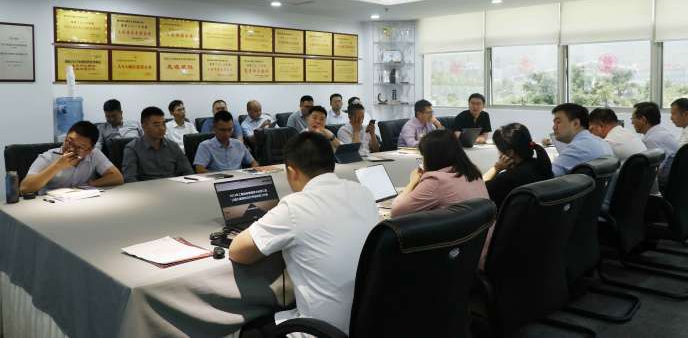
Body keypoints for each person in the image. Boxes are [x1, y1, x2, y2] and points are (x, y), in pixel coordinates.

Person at [230, 132, 379, 337]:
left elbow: (238, 252)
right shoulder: (363, 192)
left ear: (291, 171)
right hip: (369, 322)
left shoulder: (295, 206)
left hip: (321, 330)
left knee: (249, 332)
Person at [390, 129, 492, 266]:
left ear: (432, 157)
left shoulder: (436, 181)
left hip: (456, 260)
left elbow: (396, 212)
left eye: (423, 156)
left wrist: (413, 182)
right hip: (481, 251)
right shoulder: (473, 172)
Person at [21, 121, 123, 194]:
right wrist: (57, 166)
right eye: (69, 142)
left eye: (79, 147)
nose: (71, 148)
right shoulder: (48, 157)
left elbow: (117, 177)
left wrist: (91, 184)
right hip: (50, 205)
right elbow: (24, 188)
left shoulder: (94, 154)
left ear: (89, 149)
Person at [483, 123, 553, 208]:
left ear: (510, 152)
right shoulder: (542, 166)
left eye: (499, 150)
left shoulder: (507, 179)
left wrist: (496, 168)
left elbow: (476, 191)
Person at [122, 107, 193, 182]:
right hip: (147, 187)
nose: (162, 128)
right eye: (157, 125)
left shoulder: (173, 146)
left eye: (163, 124)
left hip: (173, 185)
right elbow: (130, 179)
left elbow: (188, 172)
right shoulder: (132, 149)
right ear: (144, 126)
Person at [550, 103, 613, 176]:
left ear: (576, 124)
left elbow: (546, 176)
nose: (554, 127)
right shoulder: (601, 142)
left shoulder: (577, 148)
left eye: (558, 122)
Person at [194, 111, 258, 172]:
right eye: (222, 130)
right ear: (214, 128)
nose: (227, 134)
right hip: (217, 179)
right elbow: (200, 170)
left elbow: (254, 163)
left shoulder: (239, 144)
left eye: (230, 129)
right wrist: (222, 177)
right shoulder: (205, 146)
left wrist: (250, 173)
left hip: (239, 178)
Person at [632, 101, 678, 184]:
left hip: (665, 184)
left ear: (643, 119)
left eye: (633, 118)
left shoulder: (652, 139)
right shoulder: (661, 132)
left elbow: (654, 171)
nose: (632, 122)